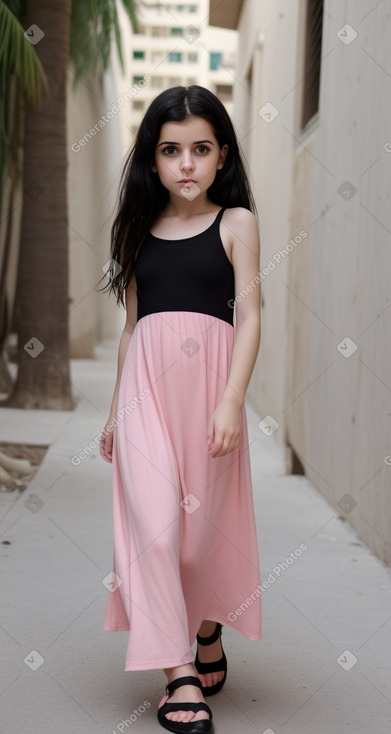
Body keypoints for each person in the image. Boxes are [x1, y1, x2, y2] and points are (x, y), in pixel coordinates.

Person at [98, 85, 262, 734]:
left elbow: (250, 317)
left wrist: (231, 399)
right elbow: (132, 326)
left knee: (197, 542)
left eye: (200, 149)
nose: (186, 164)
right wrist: (114, 411)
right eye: (171, 151)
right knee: (157, 533)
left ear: (221, 156)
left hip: (209, 396)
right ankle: (178, 673)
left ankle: (205, 624)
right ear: (152, 160)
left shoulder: (237, 223)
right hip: (146, 395)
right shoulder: (137, 231)